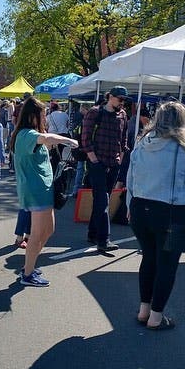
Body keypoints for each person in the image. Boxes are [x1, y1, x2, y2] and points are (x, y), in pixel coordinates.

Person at [126, 101, 185, 330]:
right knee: (168, 264)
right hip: (172, 211)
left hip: (140, 208)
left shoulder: (141, 144)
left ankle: (144, 309)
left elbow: (130, 179)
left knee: (148, 258)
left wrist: (130, 205)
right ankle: (156, 316)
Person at [11, 97, 78, 287]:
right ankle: (27, 274)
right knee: (37, 234)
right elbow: (47, 139)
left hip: (43, 189)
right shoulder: (26, 134)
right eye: (42, 115)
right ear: (33, 115)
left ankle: (29, 267)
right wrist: (69, 140)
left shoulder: (30, 135)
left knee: (48, 230)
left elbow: (44, 142)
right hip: (36, 190)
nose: (45, 118)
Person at [80, 86, 129, 251]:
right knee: (103, 200)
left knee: (101, 200)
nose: (122, 103)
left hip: (113, 163)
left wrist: (120, 158)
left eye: (124, 100)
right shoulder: (95, 112)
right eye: (120, 99)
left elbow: (123, 140)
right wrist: (94, 160)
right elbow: (85, 139)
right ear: (110, 97)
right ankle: (104, 239)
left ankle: (93, 233)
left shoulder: (122, 115)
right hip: (98, 163)